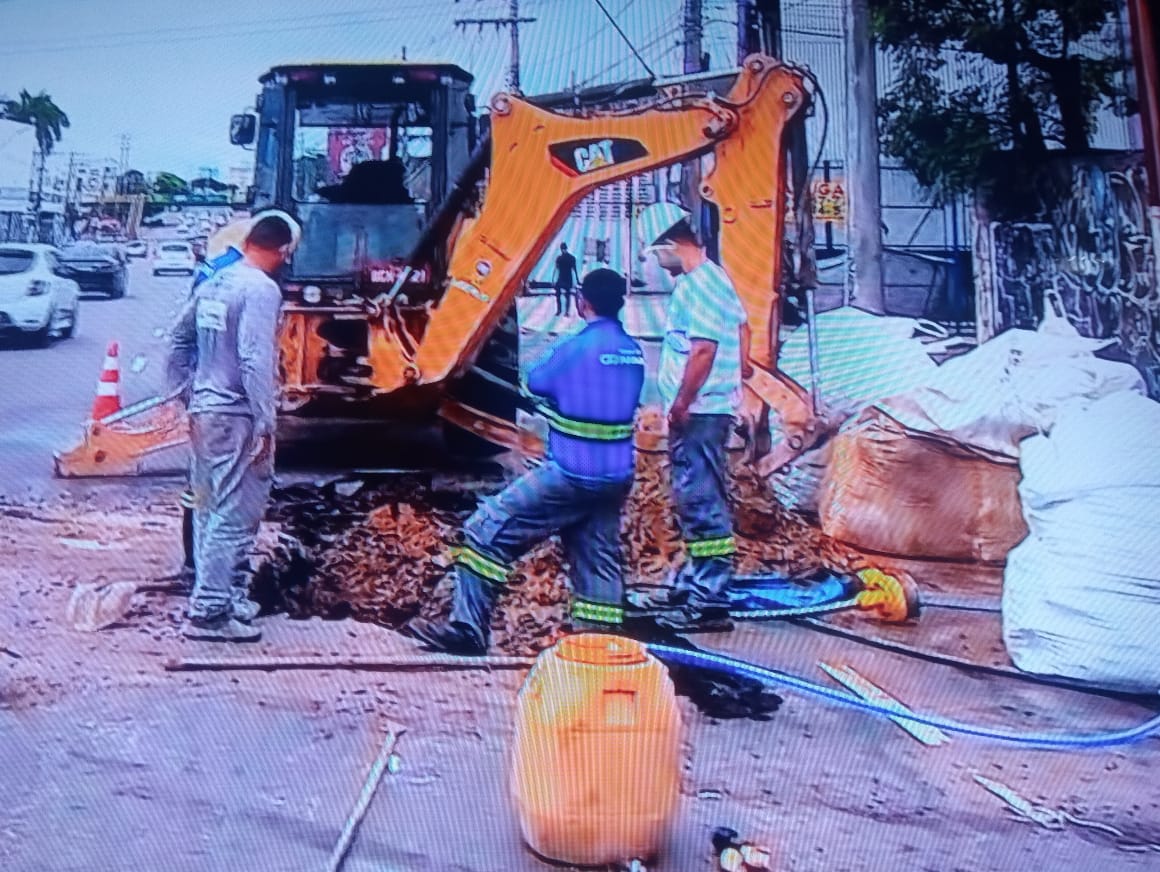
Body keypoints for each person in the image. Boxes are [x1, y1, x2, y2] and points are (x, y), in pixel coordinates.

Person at [407, 269, 646, 655]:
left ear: (583, 301)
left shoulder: (577, 346)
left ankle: (467, 630)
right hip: (616, 475)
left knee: (485, 530)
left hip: (572, 471)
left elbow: (537, 382)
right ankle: (601, 645)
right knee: (596, 554)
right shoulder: (632, 351)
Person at [166, 213, 300, 642]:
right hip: (236, 418)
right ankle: (209, 612)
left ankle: (223, 596)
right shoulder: (261, 290)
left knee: (206, 505)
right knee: (234, 512)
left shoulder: (217, 281)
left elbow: (178, 339)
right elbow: (254, 358)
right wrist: (266, 419)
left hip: (206, 415)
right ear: (283, 251)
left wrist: (184, 395)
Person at [638, 202, 752, 633]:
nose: (657, 262)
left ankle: (709, 598)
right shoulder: (713, 279)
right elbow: (742, 328)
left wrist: (682, 402)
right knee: (698, 496)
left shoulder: (699, 284)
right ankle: (698, 583)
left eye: (656, 252)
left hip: (701, 411)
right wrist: (741, 367)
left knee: (700, 499)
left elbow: (703, 349)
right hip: (710, 408)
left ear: (671, 244)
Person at [553, 242, 579, 317]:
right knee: (567, 296)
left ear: (561, 249)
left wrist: (553, 280)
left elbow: (556, 269)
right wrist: (577, 280)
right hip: (568, 279)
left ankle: (559, 310)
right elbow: (575, 270)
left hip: (561, 278)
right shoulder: (572, 258)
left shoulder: (559, 258)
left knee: (558, 295)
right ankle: (566, 312)